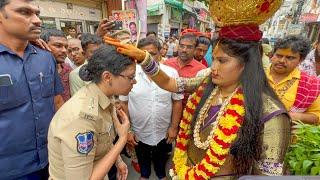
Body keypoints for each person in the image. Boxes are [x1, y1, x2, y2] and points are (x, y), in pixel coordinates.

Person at [104, 0, 291, 177]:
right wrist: (144, 58)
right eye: (214, 58)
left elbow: (268, 176)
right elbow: (170, 83)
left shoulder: (271, 114)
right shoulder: (207, 82)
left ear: (248, 63)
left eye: (222, 61)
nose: (214, 67)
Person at [48, 45, 134, 180]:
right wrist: (122, 139)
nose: (134, 81)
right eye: (130, 77)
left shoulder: (105, 96)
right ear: (107, 77)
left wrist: (118, 161)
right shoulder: (82, 118)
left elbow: (103, 138)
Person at [0, 0, 64, 179]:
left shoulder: (45, 58)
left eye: (37, 13)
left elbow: (57, 102)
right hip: (10, 170)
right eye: (25, 12)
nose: (37, 20)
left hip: (52, 161)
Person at [120, 38, 183, 180]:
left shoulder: (171, 73)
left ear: (160, 53)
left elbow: (177, 102)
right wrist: (128, 130)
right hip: (139, 130)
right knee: (142, 157)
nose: (147, 59)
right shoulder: (129, 74)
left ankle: (161, 175)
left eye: (152, 54)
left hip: (163, 129)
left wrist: (173, 127)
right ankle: (144, 175)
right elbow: (123, 104)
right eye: (143, 54)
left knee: (161, 157)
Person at [267, 35, 320, 125]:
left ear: (301, 60)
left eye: (290, 58)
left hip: (285, 135)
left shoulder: (310, 84)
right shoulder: (257, 74)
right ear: (272, 55)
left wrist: (290, 116)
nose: (282, 61)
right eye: (279, 55)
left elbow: (316, 115)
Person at [164, 33, 206, 109]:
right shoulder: (167, 64)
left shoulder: (202, 70)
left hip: (188, 113)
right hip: (166, 112)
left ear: (195, 49)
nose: (184, 50)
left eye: (189, 47)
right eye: (182, 46)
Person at [41, 29, 72, 101]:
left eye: (66, 47)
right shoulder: (36, 72)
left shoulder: (68, 70)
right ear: (43, 45)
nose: (64, 50)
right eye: (58, 46)